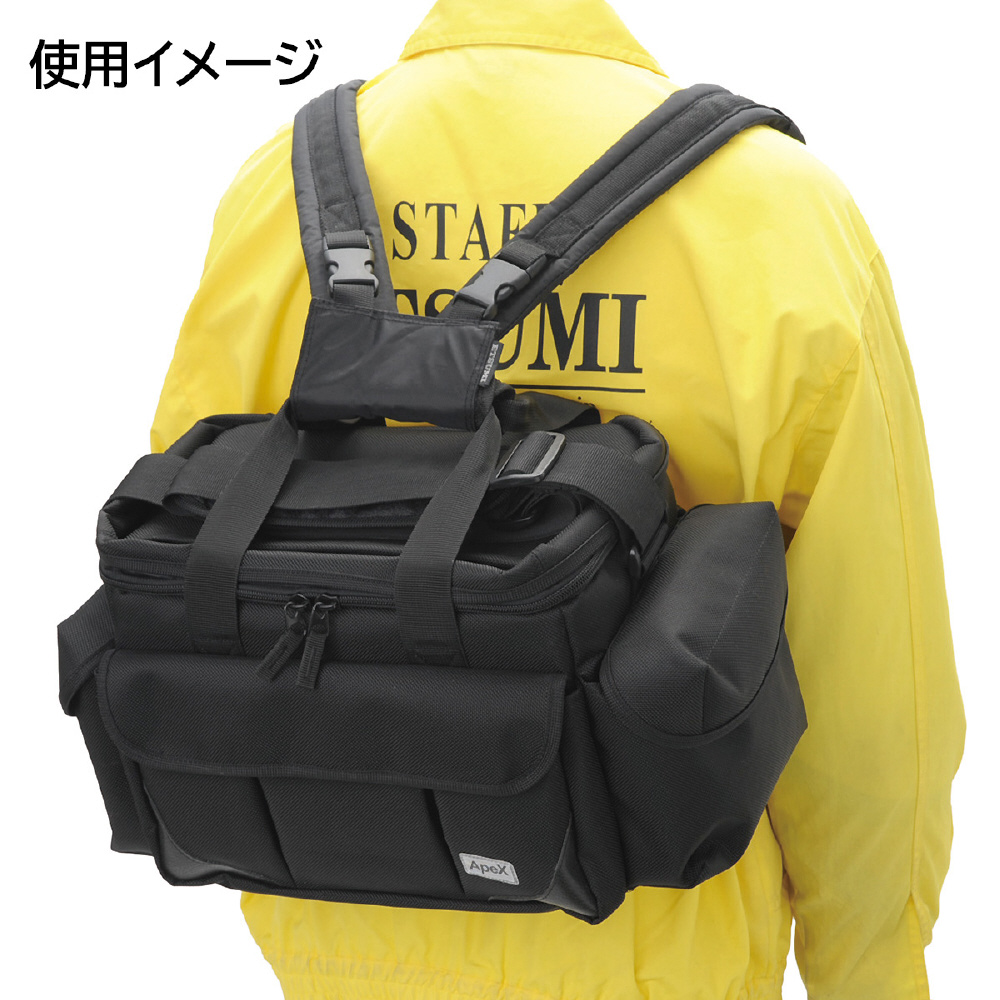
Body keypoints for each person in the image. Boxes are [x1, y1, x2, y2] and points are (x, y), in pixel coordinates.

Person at [150, 2, 965, 997]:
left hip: (323, 914)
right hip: (654, 945)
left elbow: (182, 548)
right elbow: (873, 675)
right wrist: (872, 970)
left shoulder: (276, 191)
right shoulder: (773, 208)